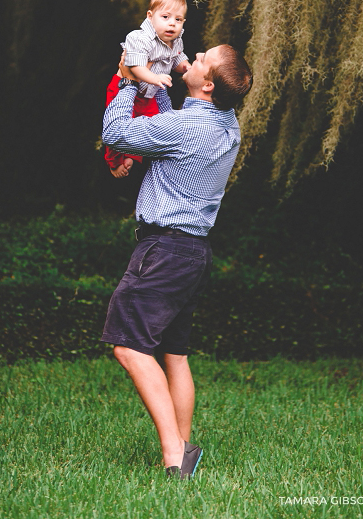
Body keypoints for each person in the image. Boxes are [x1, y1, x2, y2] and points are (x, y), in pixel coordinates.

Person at [99, 44, 252, 479]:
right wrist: (163, 75)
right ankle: (185, 446)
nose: (197, 52)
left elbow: (115, 134)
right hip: (193, 253)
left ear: (207, 84)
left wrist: (130, 79)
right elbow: (171, 119)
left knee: (129, 347)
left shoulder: (185, 128)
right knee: (175, 355)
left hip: (163, 251)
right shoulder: (228, 125)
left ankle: (174, 456)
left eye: (204, 58)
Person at [104, 0, 191, 178]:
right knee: (118, 124)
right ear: (150, 16)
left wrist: (186, 67)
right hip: (124, 88)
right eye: (166, 17)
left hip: (148, 94)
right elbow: (135, 67)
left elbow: (177, 59)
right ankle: (114, 162)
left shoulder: (175, 41)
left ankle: (132, 156)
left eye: (178, 19)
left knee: (150, 125)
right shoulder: (139, 38)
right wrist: (155, 78)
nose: (172, 24)